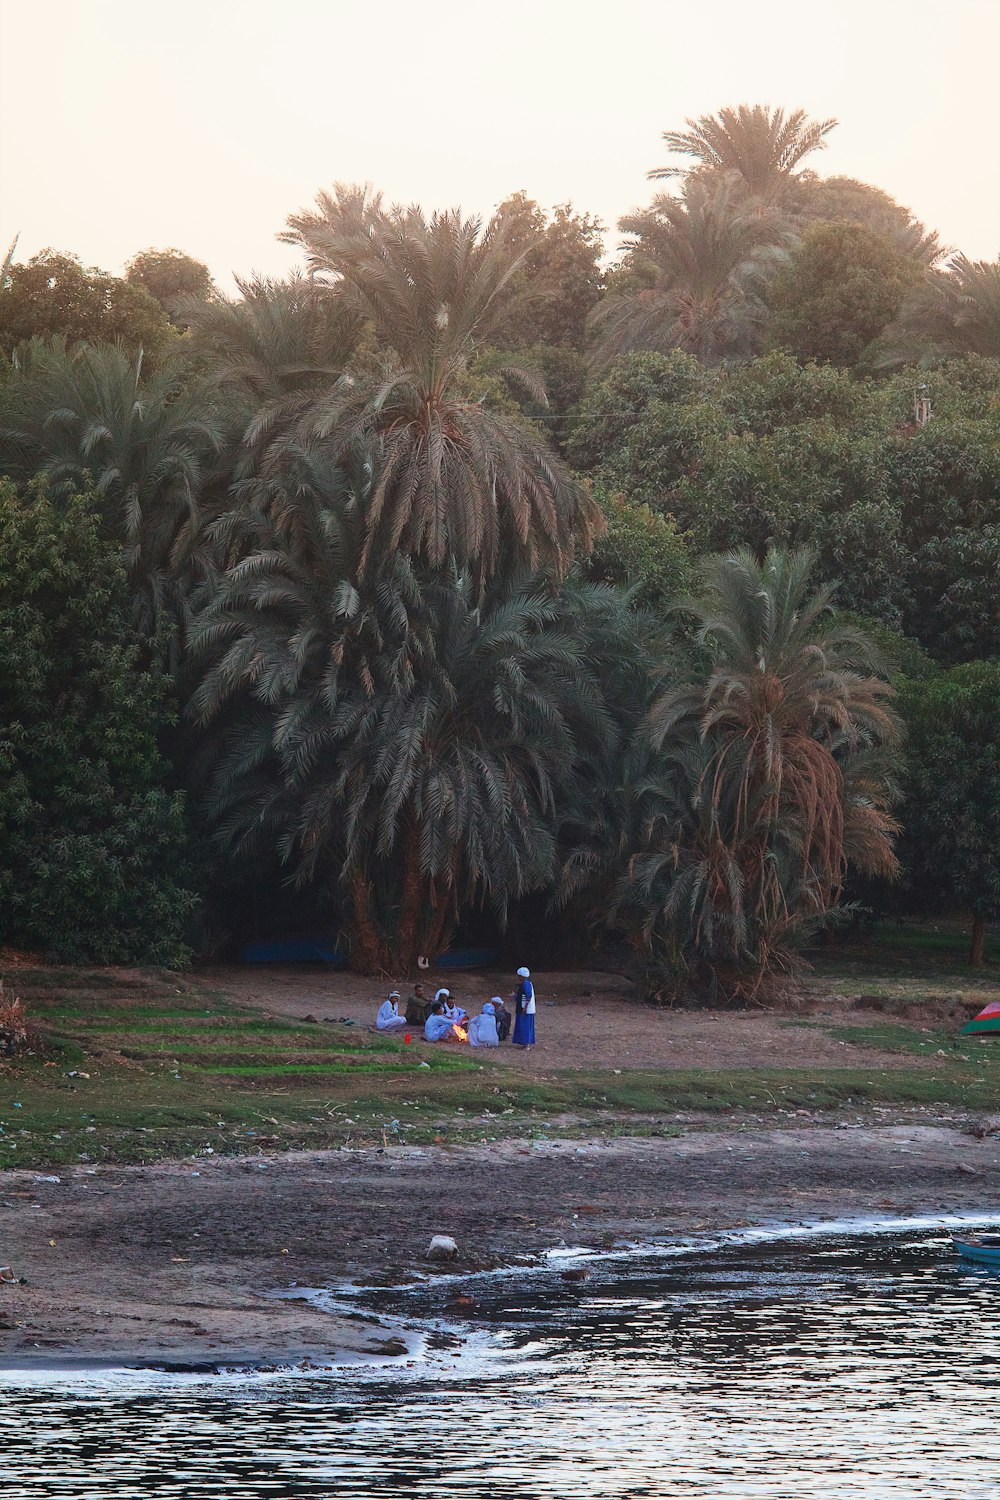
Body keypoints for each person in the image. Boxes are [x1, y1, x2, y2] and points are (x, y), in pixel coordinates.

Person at [511, 966, 535, 1048]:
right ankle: (523, 1042)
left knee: (524, 1025)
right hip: (523, 1007)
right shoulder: (525, 984)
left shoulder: (525, 984)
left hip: (525, 1009)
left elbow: (528, 996)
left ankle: (526, 1044)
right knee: (523, 1025)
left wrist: (525, 1008)